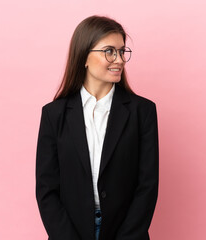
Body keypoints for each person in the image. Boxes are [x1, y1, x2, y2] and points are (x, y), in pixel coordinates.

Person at [36, 15, 159, 240]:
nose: (119, 59)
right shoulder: (54, 115)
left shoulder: (143, 112)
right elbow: (47, 190)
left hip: (126, 233)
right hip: (70, 232)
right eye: (109, 51)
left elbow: (147, 186)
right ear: (84, 56)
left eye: (122, 51)